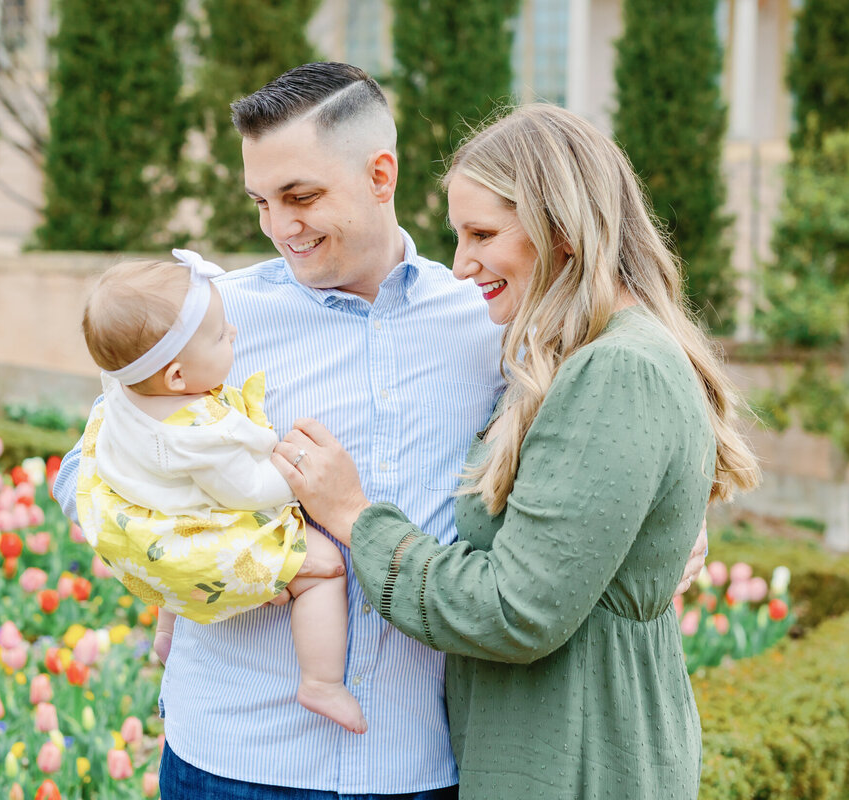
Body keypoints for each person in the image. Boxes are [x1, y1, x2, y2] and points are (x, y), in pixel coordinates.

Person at [53, 63, 707, 799]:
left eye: (301, 197)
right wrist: (201, 554)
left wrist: (679, 531)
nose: (279, 227)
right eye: (262, 201)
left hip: (422, 765)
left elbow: (602, 449)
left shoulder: (493, 316)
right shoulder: (210, 324)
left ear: (381, 173)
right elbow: (87, 470)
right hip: (236, 760)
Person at [270, 104, 761, 800]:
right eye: (458, 236)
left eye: (483, 234)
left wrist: (353, 517)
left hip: (577, 758)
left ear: (560, 231)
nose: (463, 264)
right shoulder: (569, 358)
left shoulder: (615, 368)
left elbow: (514, 610)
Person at [75, 249, 366, 734]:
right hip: (204, 535)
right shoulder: (200, 435)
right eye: (218, 335)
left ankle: (167, 630)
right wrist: (299, 474)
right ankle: (321, 682)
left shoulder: (126, 390)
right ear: (177, 377)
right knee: (324, 570)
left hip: (153, 531)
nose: (232, 333)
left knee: (173, 550)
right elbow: (249, 489)